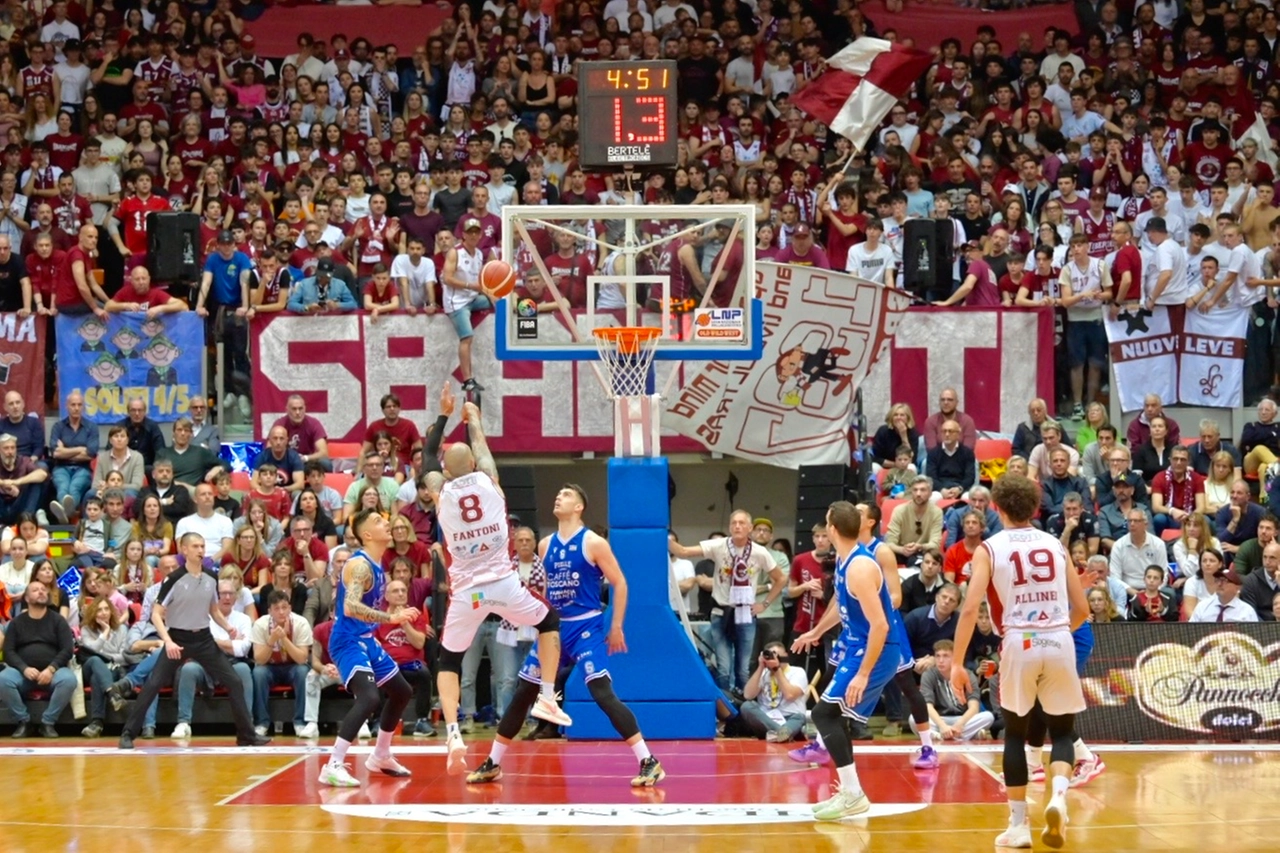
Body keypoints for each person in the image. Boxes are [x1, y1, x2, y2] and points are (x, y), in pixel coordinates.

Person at [466, 483, 664, 787]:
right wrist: (539, 621)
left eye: (566, 495)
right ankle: (493, 762)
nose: (559, 496)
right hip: (555, 630)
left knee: (601, 692)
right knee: (523, 694)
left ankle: (648, 760)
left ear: (579, 506)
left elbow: (620, 583)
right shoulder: (545, 545)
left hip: (586, 627)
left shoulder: (594, 542)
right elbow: (547, 590)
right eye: (557, 493)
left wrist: (616, 626)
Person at [426, 402, 571, 775]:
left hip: (466, 593)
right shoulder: (489, 480)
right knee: (549, 621)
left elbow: (428, 453)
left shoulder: (440, 492)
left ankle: (454, 732)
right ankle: (547, 696)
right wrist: (471, 417)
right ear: (473, 465)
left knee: (449, 661)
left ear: (444, 472)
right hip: (504, 583)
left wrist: (443, 417)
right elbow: (482, 446)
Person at [949, 474, 1090, 850]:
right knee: (1061, 734)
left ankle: (1018, 826)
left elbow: (968, 610)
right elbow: (1083, 609)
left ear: (996, 507)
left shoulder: (989, 548)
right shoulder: (1055, 545)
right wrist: (1057, 630)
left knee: (1014, 732)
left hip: (1018, 641)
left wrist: (957, 662)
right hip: (1060, 637)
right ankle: (1058, 797)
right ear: (1034, 507)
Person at [791, 501, 898, 821]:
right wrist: (816, 632)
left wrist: (864, 674)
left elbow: (880, 624)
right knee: (830, 716)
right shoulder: (844, 559)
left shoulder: (860, 567)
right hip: (857, 646)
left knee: (824, 714)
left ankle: (853, 794)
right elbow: (841, 605)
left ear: (833, 528)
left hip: (875, 649)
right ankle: (851, 793)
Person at [119, 533, 270, 749]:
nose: (200, 550)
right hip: (178, 639)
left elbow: (214, 610)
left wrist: (229, 628)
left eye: (203, 545)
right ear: (184, 550)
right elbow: (156, 613)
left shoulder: (211, 576)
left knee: (234, 681)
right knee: (153, 683)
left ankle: (246, 735)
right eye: (196, 546)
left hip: (204, 638)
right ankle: (127, 734)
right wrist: (168, 641)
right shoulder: (174, 579)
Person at [316, 508, 420, 787]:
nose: (386, 523)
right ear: (366, 534)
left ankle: (381, 754)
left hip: (366, 638)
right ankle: (333, 764)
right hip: (347, 640)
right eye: (378, 521)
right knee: (369, 698)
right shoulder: (359, 565)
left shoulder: (378, 564)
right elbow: (350, 607)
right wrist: (391, 617)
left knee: (401, 690)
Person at [0, 580, 76, 738]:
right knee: (3, 679)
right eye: (35, 590)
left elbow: (67, 649)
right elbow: (8, 651)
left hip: (53, 673)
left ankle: (48, 722)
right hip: (23, 674)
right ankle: (23, 721)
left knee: (69, 680)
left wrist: (51, 668)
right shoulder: (17, 623)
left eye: (43, 590)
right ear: (27, 598)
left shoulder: (58, 621)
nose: (41, 592)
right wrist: (24, 668)